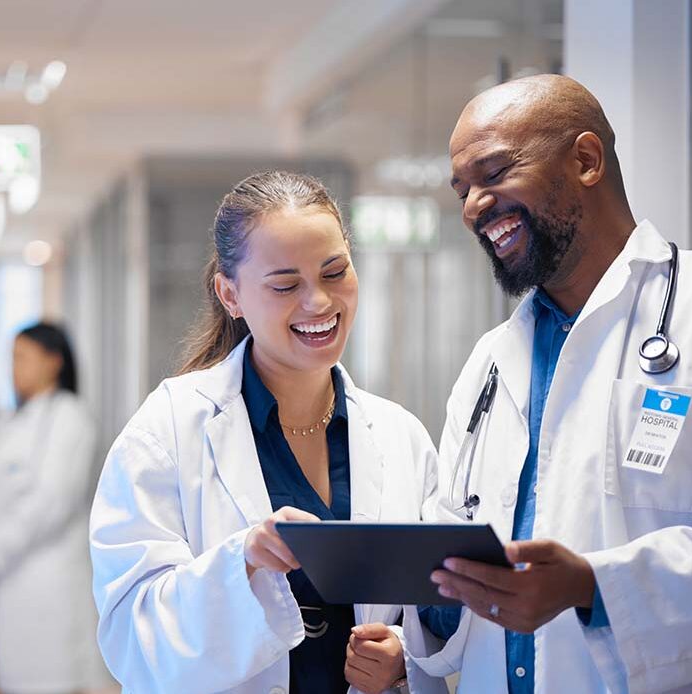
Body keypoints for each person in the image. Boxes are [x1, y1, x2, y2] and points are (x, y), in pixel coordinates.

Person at [402, 74, 692, 693]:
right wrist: (422, 617)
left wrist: (593, 587)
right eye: (463, 190)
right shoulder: (490, 362)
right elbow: (455, 540)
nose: (474, 206)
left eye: (495, 173)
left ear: (586, 160)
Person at [90, 171, 446, 694]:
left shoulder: (400, 436)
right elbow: (131, 637)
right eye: (285, 285)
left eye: (334, 272)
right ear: (230, 294)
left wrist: (406, 659)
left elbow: (436, 606)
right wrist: (243, 564)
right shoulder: (167, 430)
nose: (319, 303)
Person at [0, 322, 109, 694]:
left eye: (22, 357)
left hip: (44, 583)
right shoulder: (10, 422)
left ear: (54, 362)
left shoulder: (70, 418)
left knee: (46, 680)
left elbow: (51, 502)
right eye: (11, 358)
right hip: (4, 581)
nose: (13, 368)